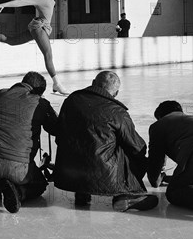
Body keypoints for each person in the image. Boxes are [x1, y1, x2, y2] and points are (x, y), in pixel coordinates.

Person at [53, 70, 158, 212]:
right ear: (116, 93)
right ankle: (126, 194)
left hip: (69, 172)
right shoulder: (117, 111)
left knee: (83, 141)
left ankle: (82, 193)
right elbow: (136, 146)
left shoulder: (71, 100)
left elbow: (59, 132)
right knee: (126, 148)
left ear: (93, 83)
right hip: (104, 175)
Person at [0, 71, 58, 213]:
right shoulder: (40, 103)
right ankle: (19, 193)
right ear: (39, 91)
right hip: (18, 169)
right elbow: (56, 128)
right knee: (40, 185)